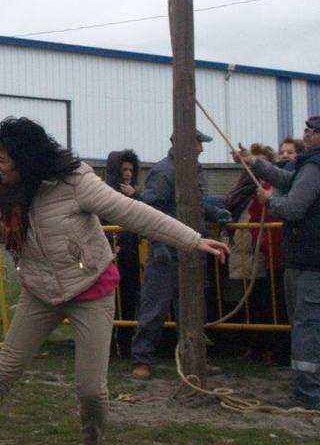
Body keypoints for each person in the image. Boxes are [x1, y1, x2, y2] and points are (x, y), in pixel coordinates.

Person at [0, 117, 229, 445]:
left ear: (27, 157)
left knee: (91, 388)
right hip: (39, 291)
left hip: (90, 288)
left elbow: (133, 212)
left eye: (2, 158)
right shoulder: (1, 189)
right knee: (1, 372)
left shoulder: (75, 181)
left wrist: (192, 239)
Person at [130, 130, 232, 380]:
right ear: (185, 143)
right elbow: (151, 209)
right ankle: (140, 360)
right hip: (167, 252)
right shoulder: (164, 171)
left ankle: (194, 359)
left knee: (193, 310)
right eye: (198, 142)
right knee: (154, 308)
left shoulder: (194, 170)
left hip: (192, 251)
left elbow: (193, 203)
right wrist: (159, 243)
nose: (201, 148)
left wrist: (214, 213)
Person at [234, 115, 320, 409]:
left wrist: (269, 200)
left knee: (307, 325)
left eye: (313, 131)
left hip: (311, 261)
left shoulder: (315, 167)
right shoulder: (307, 164)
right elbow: (285, 177)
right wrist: (255, 162)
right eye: (307, 129)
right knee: (304, 324)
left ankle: (309, 392)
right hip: (302, 258)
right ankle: (305, 386)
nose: (306, 133)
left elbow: (295, 207)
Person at [222, 144, 283, 363]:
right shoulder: (242, 191)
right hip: (241, 252)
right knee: (246, 302)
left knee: (264, 302)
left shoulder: (267, 188)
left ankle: (267, 348)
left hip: (259, 253)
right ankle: (252, 346)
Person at [104, 149, 142, 358]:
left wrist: (136, 196)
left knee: (128, 301)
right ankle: (108, 346)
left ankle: (126, 346)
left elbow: (148, 212)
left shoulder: (135, 193)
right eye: (124, 169)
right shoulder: (104, 192)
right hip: (110, 254)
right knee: (108, 302)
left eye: (131, 169)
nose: (128, 173)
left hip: (130, 253)